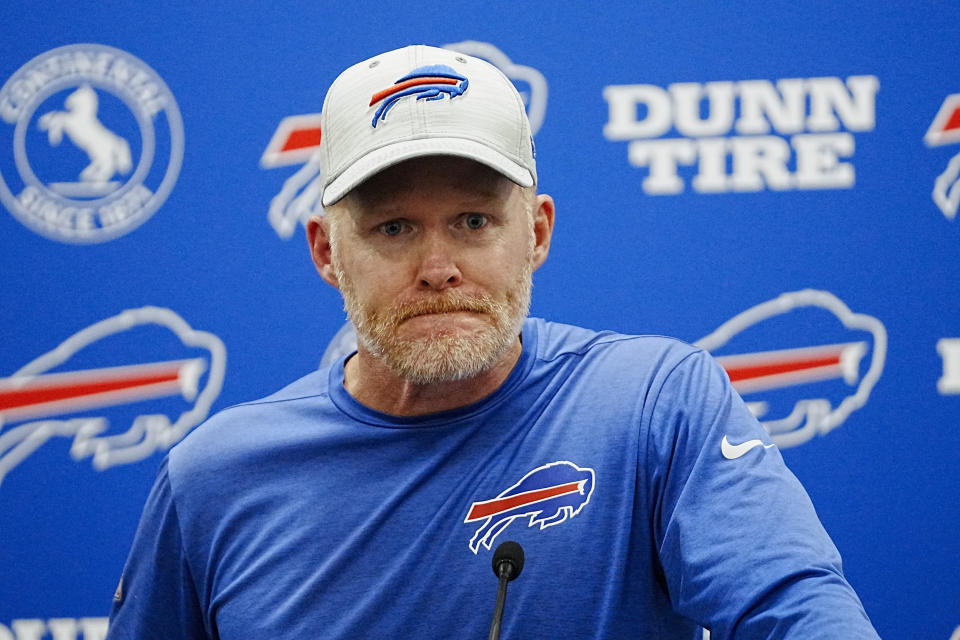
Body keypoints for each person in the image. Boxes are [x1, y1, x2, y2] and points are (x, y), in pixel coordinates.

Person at [106, 45, 879, 639]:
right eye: (393, 228)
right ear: (324, 251)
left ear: (536, 232)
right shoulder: (212, 480)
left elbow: (794, 603)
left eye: (474, 222)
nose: (438, 269)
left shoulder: (651, 405)